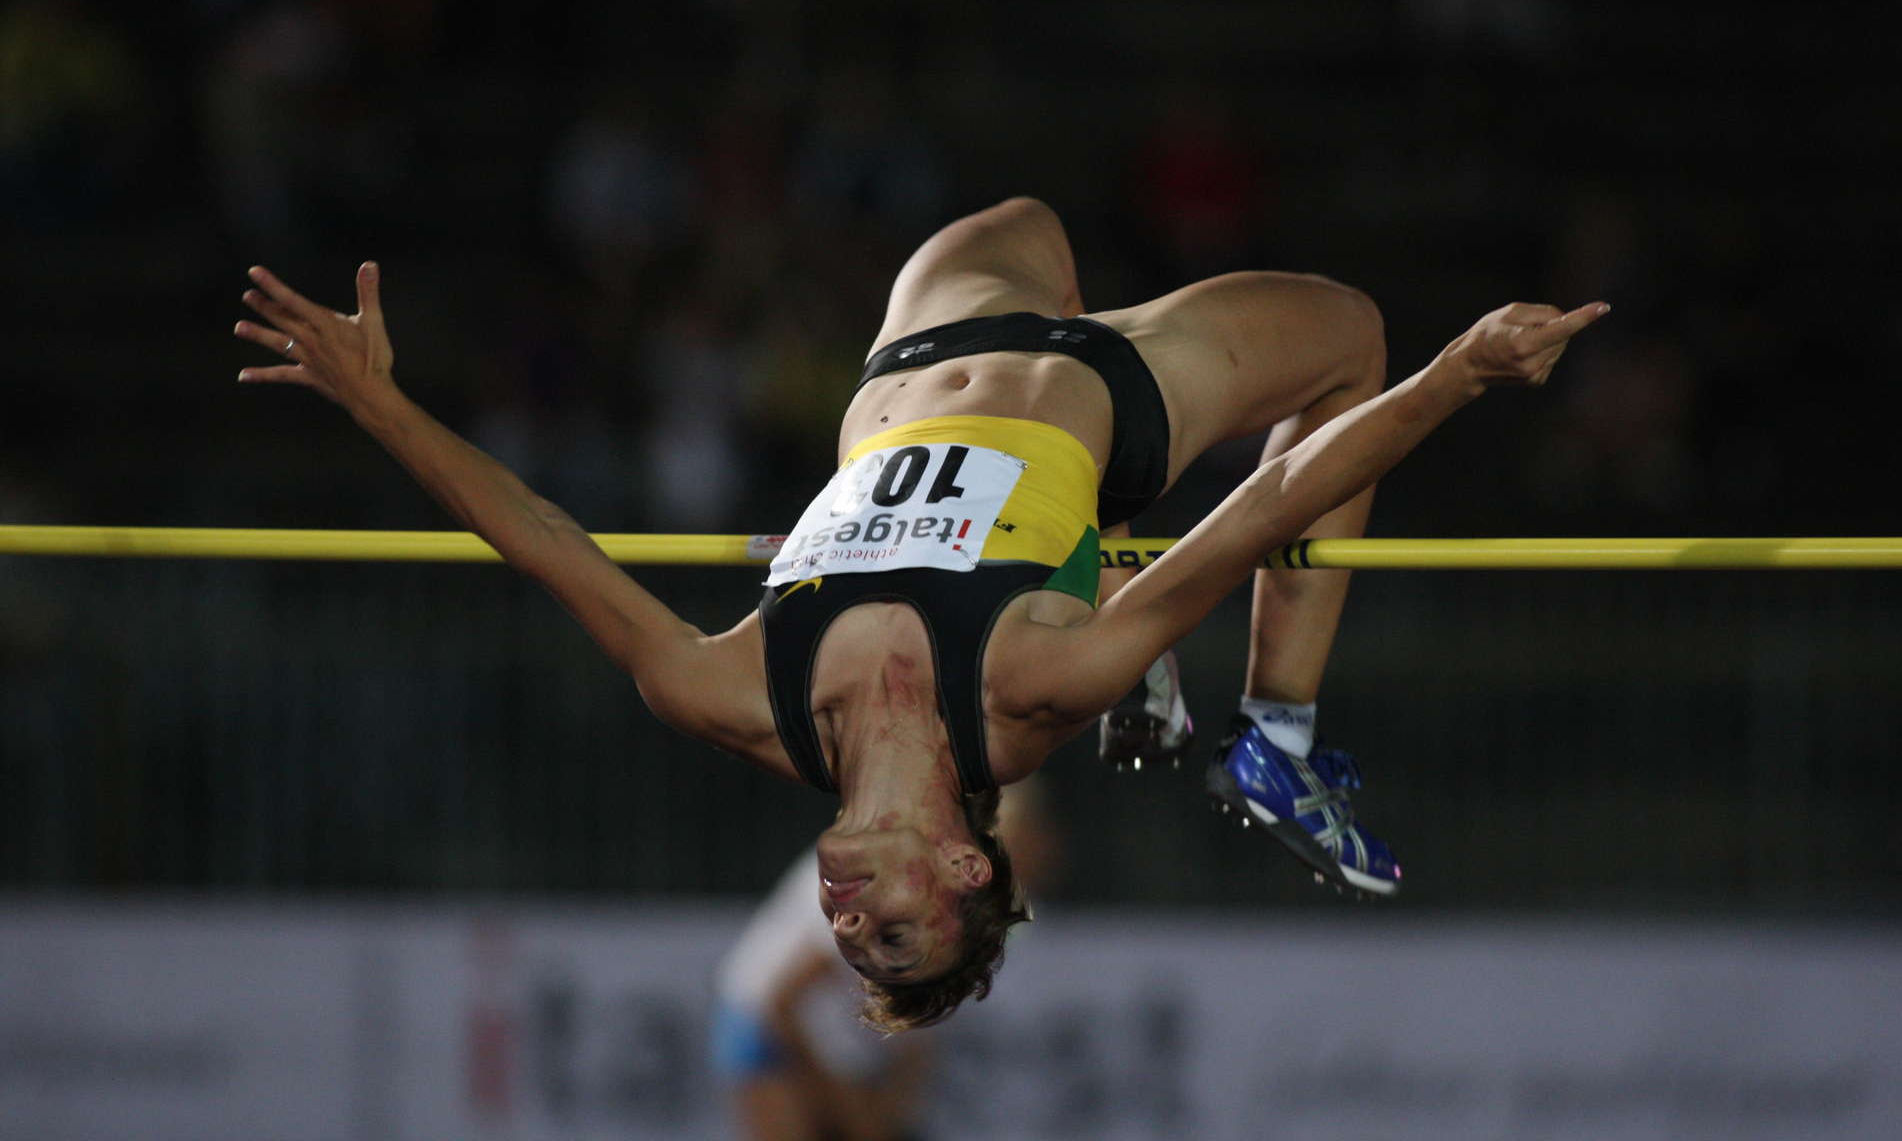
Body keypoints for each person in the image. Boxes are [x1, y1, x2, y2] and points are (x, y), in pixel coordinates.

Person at [233, 196, 1606, 1031]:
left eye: (851, 945)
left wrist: (379, 404)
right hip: (1111, 392)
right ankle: (1281, 736)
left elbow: (543, 541)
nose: (844, 925)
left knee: (1028, 218)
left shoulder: (735, 700)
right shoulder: (1026, 695)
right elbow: (1263, 509)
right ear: (963, 868)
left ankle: (1096, 562)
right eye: (892, 931)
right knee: (1352, 339)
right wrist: (1454, 376)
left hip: (920, 349)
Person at [712, 780, 1062, 1141]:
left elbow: (919, 1041)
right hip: (765, 1025)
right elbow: (781, 1001)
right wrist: (845, 1106)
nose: (1046, 852)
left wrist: (879, 1116)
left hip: (844, 1053)